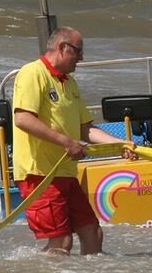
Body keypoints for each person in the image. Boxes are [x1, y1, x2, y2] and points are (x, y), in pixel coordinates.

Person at [12, 26, 135, 255]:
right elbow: (23, 119)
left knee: (93, 233)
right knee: (61, 243)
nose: (81, 58)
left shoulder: (70, 83)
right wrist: (66, 142)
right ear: (62, 47)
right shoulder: (32, 73)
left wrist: (120, 145)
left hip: (65, 173)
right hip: (39, 174)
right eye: (78, 51)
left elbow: (85, 129)